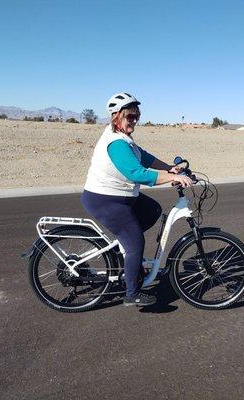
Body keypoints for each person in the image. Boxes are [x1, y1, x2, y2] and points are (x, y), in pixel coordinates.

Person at [81, 92, 193, 307]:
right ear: (116, 116)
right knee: (135, 242)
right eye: (130, 116)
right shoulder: (116, 143)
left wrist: (170, 167)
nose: (134, 120)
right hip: (105, 199)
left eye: (137, 116)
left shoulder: (125, 139)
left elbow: (145, 157)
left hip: (121, 195)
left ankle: (126, 249)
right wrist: (173, 178)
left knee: (151, 210)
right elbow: (137, 173)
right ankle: (132, 293)